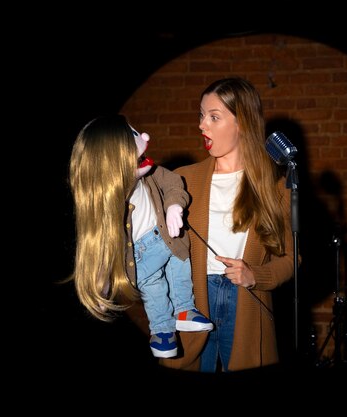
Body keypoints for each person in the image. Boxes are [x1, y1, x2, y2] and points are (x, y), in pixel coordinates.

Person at [157, 77, 297, 372]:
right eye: (201, 115)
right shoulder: (181, 180)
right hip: (194, 299)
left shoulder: (274, 186)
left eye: (214, 117)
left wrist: (256, 275)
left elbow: (292, 258)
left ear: (242, 123)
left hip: (246, 300)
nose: (201, 125)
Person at [68, 114, 212, 359]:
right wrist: (101, 286)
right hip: (140, 259)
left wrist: (174, 206)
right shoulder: (106, 206)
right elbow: (102, 247)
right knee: (153, 288)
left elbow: (174, 183)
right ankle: (162, 331)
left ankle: (184, 310)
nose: (145, 137)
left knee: (180, 262)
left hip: (167, 238)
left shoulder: (152, 174)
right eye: (134, 135)